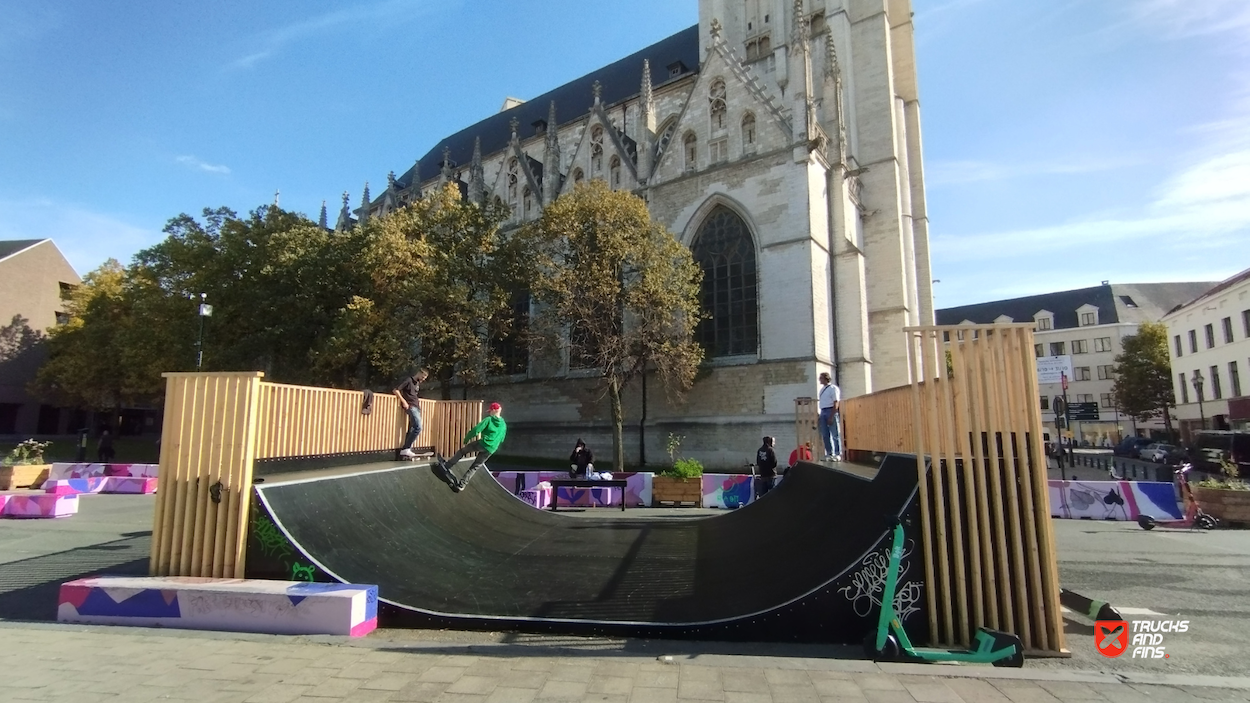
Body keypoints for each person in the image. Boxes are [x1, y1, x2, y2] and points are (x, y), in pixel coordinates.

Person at [438, 402, 507, 493]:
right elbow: (502, 438)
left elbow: (476, 430)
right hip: (492, 449)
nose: (489, 413)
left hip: (483, 443)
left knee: (462, 451)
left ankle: (447, 465)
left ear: (494, 410)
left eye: (490, 411)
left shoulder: (489, 420)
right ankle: (462, 485)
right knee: (475, 466)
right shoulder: (503, 424)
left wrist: (467, 438)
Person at [394, 369, 429, 458]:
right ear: (419, 373)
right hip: (411, 406)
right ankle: (406, 448)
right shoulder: (408, 380)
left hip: (416, 407)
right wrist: (404, 402)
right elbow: (396, 390)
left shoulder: (417, 384)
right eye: (422, 377)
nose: (423, 379)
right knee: (418, 427)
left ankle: (405, 450)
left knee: (412, 429)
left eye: (424, 378)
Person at [817, 371, 842, 462]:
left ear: (826, 378)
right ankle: (829, 453)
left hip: (830, 410)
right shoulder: (822, 390)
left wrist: (832, 415)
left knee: (835, 434)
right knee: (825, 434)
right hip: (823, 411)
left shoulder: (833, 388)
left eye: (821, 378)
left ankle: (837, 453)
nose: (819, 380)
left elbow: (836, 402)